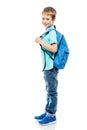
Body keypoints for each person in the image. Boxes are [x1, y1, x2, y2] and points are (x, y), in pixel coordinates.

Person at [34, 6, 59, 125]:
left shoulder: (52, 32)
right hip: (47, 67)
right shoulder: (48, 31)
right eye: (43, 18)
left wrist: (41, 42)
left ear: (53, 20)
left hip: (51, 67)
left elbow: (54, 49)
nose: (44, 21)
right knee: (49, 90)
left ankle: (52, 115)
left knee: (52, 91)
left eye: (47, 19)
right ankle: (47, 111)